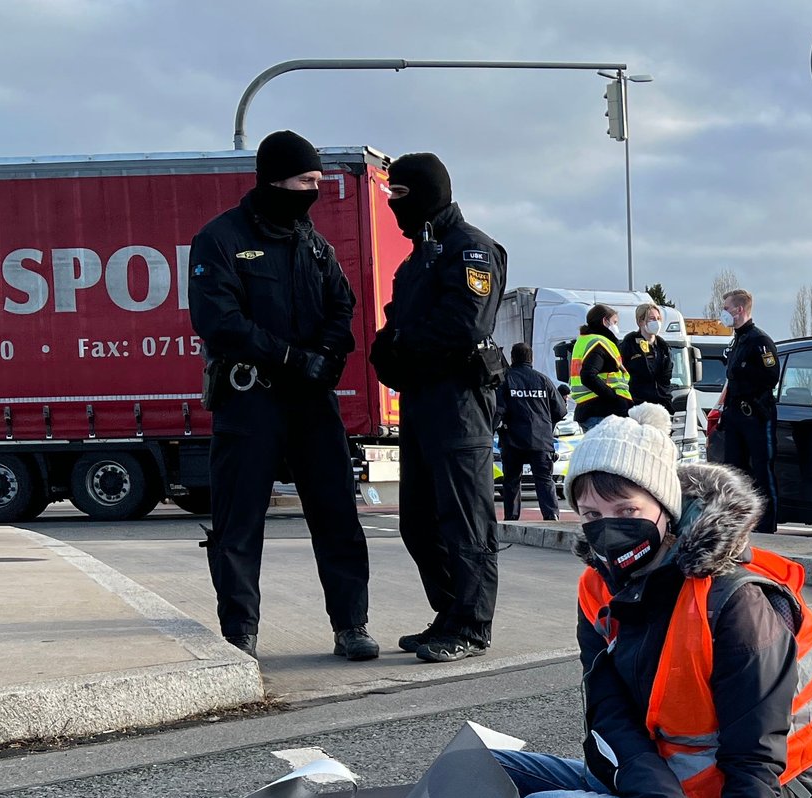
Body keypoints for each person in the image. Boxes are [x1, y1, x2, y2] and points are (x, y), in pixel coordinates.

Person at [488, 403, 812, 798]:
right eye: (590, 516)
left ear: (666, 507)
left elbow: (755, 762)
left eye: (624, 510)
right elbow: (611, 721)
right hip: (662, 784)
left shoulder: (735, 600)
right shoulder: (600, 588)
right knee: (483, 768)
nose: (607, 530)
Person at [188, 130, 377, 662]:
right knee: (238, 522)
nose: (316, 189)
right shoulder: (220, 239)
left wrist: (327, 357)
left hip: (312, 401)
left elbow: (343, 306)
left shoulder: (313, 244)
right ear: (276, 180)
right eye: (307, 180)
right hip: (250, 401)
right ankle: (239, 632)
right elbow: (217, 321)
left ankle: (351, 625)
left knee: (337, 515)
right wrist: (291, 357)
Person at [369, 152, 508, 664]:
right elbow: (393, 328)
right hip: (421, 404)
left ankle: (472, 625)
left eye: (400, 196)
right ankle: (448, 614)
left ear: (428, 192)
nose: (393, 207)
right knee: (418, 522)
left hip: (459, 405)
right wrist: (390, 349)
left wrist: (402, 344)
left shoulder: (470, 250)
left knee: (465, 522)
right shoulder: (415, 262)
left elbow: (464, 326)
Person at [717, 289, 782, 533]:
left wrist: (745, 379)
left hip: (755, 414)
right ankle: (738, 521)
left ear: (739, 309)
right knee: (734, 470)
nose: (723, 313)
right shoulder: (737, 341)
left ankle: (767, 524)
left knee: (762, 469)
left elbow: (771, 376)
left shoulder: (759, 341)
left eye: (726, 308)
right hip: (735, 415)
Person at [496, 342, 567, 521]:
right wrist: (545, 425)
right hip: (541, 440)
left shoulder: (506, 380)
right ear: (531, 358)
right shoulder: (543, 380)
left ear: (512, 358)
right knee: (544, 480)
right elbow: (560, 410)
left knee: (512, 481)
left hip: (513, 440)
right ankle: (551, 517)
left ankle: (511, 519)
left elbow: (497, 410)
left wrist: (495, 427)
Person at [569, 304, 631, 431]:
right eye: (614, 322)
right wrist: (613, 397)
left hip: (589, 409)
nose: (616, 326)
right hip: (602, 412)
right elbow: (588, 376)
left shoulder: (585, 340)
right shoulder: (599, 343)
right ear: (604, 321)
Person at [619, 302, 675, 415]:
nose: (656, 322)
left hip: (661, 406)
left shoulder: (664, 348)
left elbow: (666, 379)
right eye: (651, 319)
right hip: (637, 407)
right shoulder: (629, 345)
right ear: (640, 322)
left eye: (658, 318)